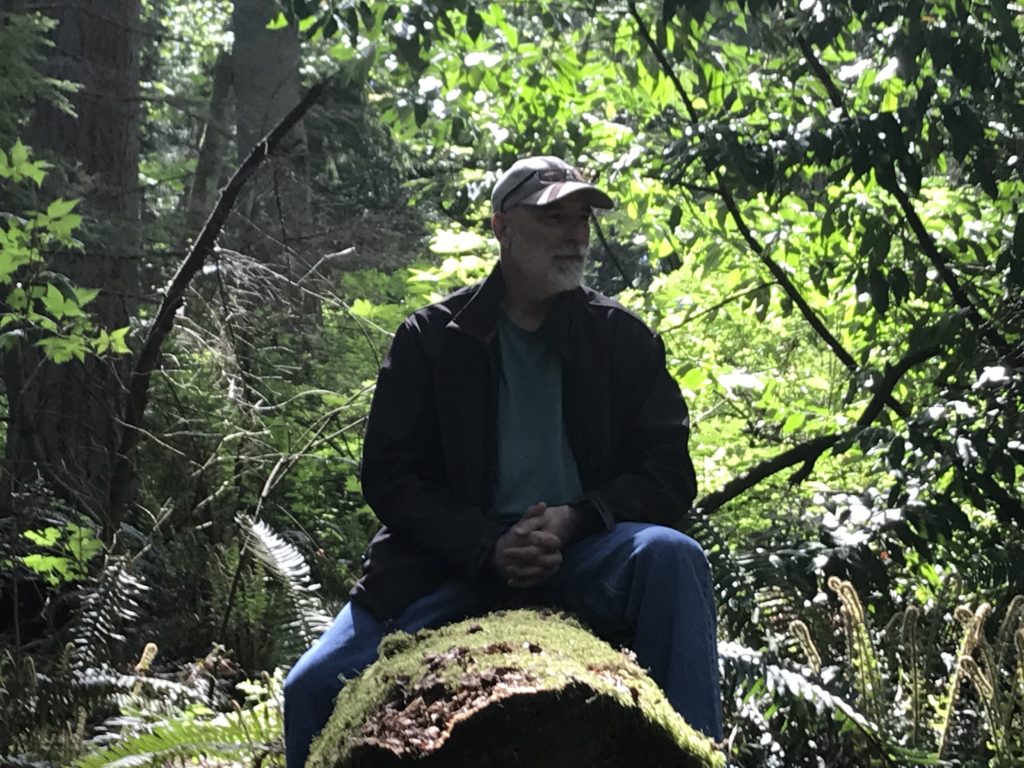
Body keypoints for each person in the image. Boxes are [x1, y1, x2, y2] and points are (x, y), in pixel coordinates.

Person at [283, 155, 722, 767]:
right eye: (552, 216)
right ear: (502, 227)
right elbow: (389, 474)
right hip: (448, 564)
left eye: (582, 218)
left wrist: (577, 518)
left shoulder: (620, 339)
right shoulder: (432, 339)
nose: (574, 233)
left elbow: (670, 473)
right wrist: (486, 544)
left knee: (673, 557)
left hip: (583, 552)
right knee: (308, 689)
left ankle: (697, 755)